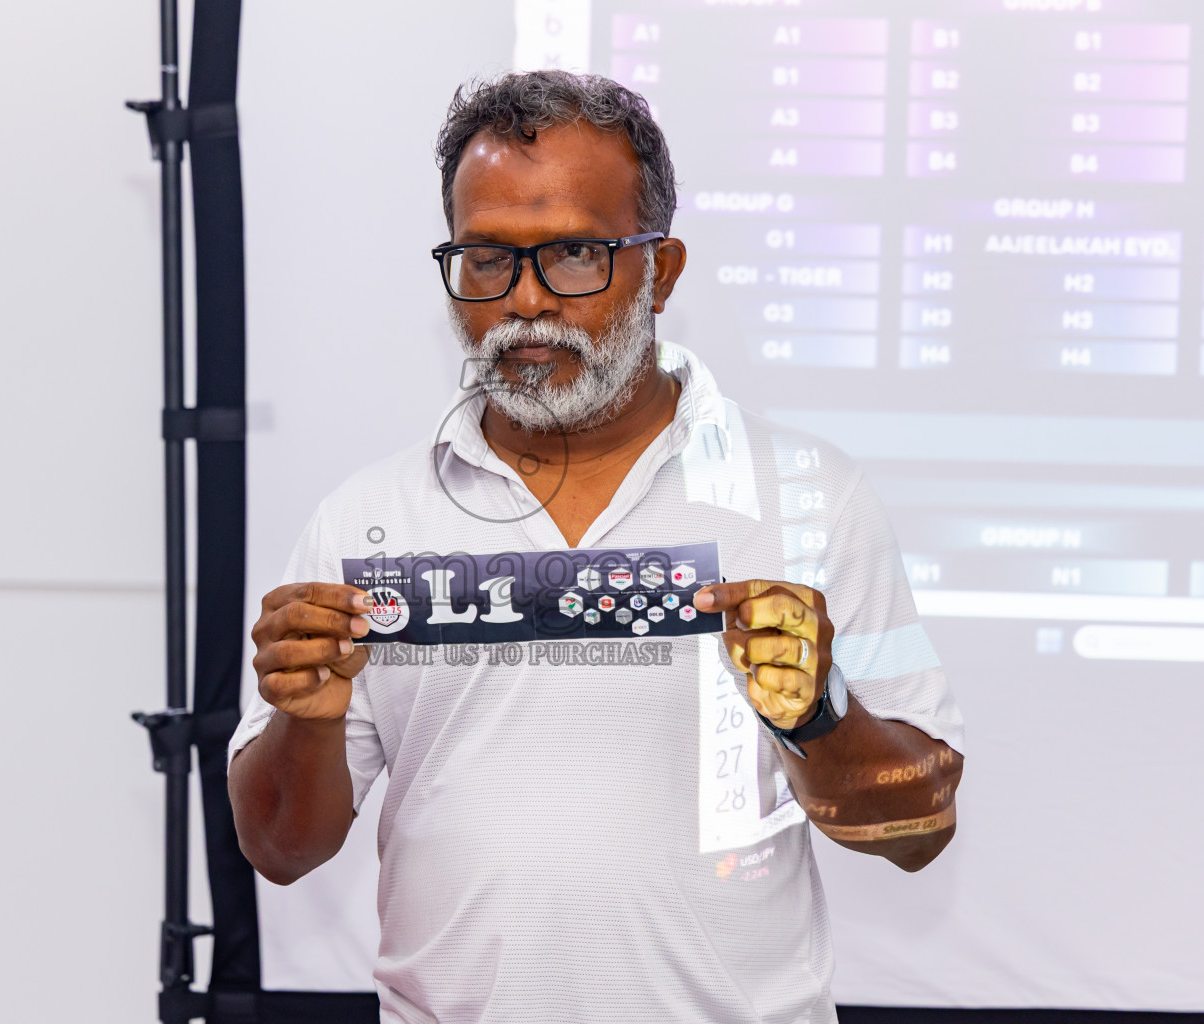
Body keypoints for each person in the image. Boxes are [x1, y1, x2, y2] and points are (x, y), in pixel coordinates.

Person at [228, 70, 965, 1023]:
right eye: (487, 258)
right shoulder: (366, 518)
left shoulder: (808, 495)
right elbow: (279, 851)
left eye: (575, 253)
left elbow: (917, 832)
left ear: (664, 270)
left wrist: (820, 716)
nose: (527, 301)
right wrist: (306, 723)